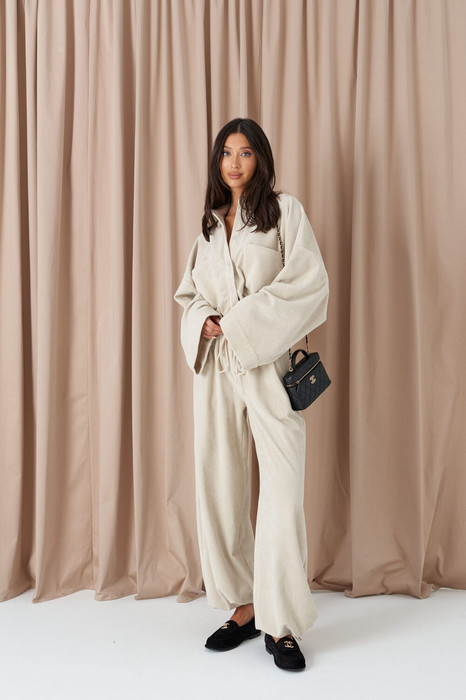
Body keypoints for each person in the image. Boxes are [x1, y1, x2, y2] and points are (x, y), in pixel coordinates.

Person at [173, 117, 329, 672]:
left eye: (244, 152)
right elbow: (188, 294)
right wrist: (205, 320)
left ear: (260, 158)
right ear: (217, 162)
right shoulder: (210, 227)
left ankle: (281, 623)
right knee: (220, 483)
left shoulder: (284, 213)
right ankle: (243, 606)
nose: (234, 162)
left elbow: (308, 282)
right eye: (226, 153)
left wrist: (238, 322)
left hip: (267, 362)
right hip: (218, 367)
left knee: (282, 491)